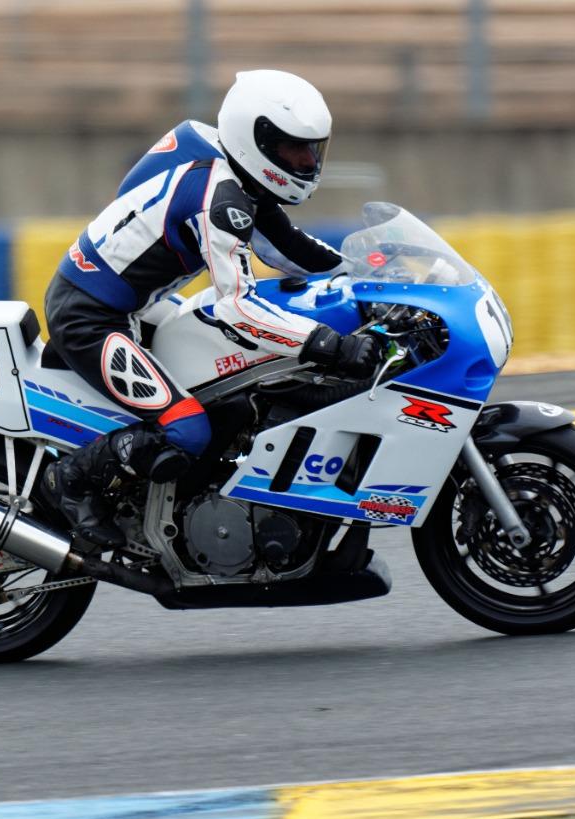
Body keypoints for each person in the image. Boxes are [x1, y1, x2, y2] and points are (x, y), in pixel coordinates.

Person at [41, 69, 383, 548]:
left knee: (232, 401)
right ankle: (70, 480)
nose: (308, 161)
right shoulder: (219, 200)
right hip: (89, 317)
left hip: (136, 306)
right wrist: (327, 343)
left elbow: (288, 247)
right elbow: (238, 307)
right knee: (186, 428)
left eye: (313, 149)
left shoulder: (235, 175)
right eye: (294, 149)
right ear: (256, 141)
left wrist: (370, 278)